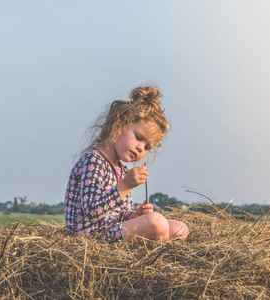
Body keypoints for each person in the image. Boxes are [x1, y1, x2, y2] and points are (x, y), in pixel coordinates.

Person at [64, 85, 189, 242]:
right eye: (138, 137)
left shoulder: (121, 169)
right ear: (118, 125)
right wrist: (125, 185)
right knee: (157, 222)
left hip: (111, 228)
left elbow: (116, 212)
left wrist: (133, 215)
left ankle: (157, 246)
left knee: (179, 227)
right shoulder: (93, 161)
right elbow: (91, 211)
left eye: (147, 147)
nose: (141, 148)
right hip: (91, 235)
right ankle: (156, 252)